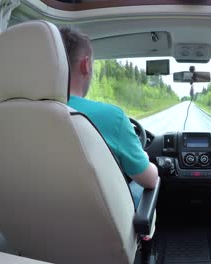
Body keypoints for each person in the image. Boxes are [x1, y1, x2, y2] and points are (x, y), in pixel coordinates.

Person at [59, 27, 159, 208]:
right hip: (99, 229)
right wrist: (143, 156)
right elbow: (150, 180)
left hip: (33, 228)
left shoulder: (15, 118)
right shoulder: (112, 117)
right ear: (86, 64)